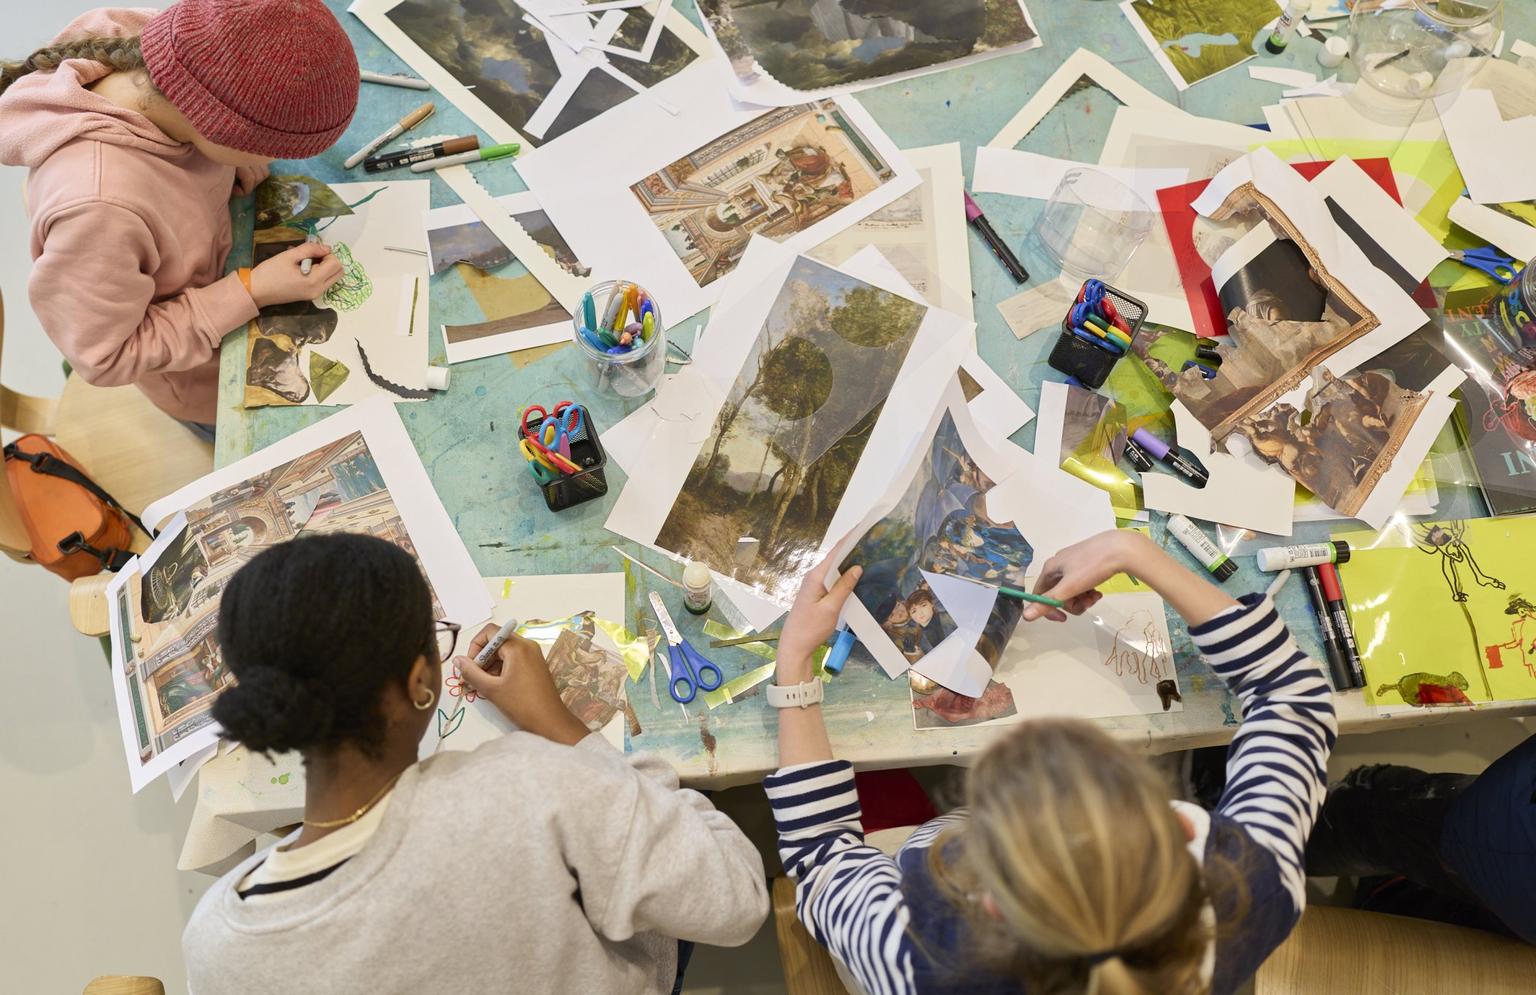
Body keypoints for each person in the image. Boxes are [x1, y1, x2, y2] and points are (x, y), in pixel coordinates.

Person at [182, 534, 768, 994]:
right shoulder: (527, 789)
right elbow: (737, 894)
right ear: (420, 683)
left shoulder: (215, 940)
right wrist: (560, 727)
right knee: (698, 806)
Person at [765, 530, 1337, 994]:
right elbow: (1295, 699)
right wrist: (1134, 552)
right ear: (1184, 827)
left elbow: (819, 859)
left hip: (904, 893)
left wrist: (793, 665)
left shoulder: (920, 958)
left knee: (882, 793)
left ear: (986, 897)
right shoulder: (1246, 891)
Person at [0, 0, 357, 438]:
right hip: (205, 380)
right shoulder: (100, 208)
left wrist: (231, 165)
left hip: (225, 261)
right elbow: (108, 356)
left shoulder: (172, 53)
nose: (277, 159)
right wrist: (252, 290)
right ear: (217, 126)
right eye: (270, 147)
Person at [1305, 736, 1536, 945]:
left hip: (1504, 836)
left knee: (1380, 815)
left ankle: (1287, 843)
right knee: (1469, 895)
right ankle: (1388, 896)